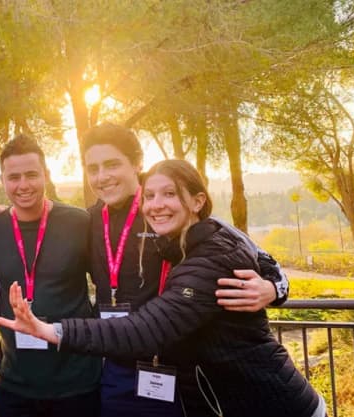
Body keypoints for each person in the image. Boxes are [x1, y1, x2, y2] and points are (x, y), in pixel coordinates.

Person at [0, 159, 325, 417]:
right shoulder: (184, 241)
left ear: (197, 201)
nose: (156, 205)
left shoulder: (212, 253)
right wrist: (0, 214)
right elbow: (263, 258)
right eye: (150, 196)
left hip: (270, 402)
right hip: (219, 398)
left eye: (170, 194)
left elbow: (147, 329)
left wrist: (51, 330)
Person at [80, 123, 289, 416]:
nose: (102, 177)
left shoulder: (168, 209)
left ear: (137, 163)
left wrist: (273, 289)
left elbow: (260, 259)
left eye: (112, 165)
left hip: (177, 372)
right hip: (117, 369)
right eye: (93, 168)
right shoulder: (86, 222)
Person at [0, 135, 100, 417]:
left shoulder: (79, 222)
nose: (23, 185)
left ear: (46, 174)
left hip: (76, 382)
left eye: (32, 175)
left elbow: (108, 281)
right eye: (14, 177)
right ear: (2, 180)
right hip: (15, 382)